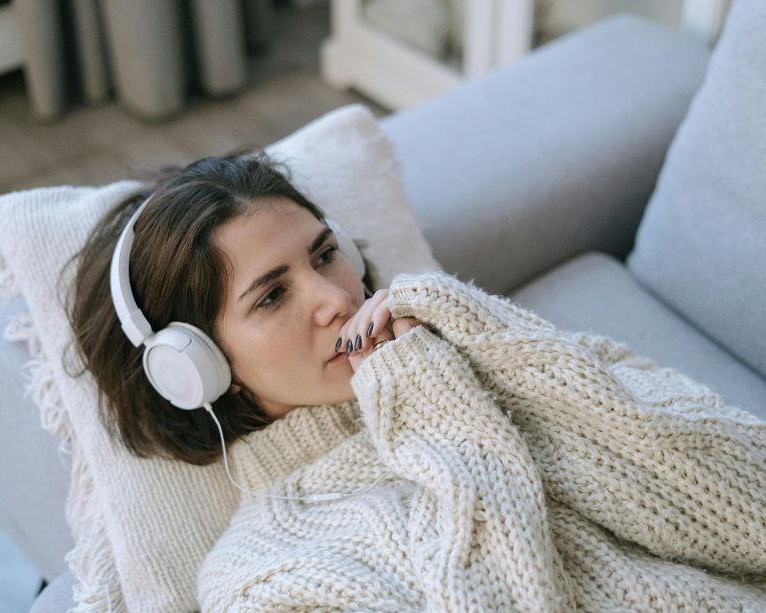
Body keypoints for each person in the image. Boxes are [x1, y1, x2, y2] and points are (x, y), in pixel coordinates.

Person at [68, 150, 766, 611]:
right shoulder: (259, 577)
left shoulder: (487, 352)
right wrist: (440, 420)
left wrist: (494, 341)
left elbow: (748, 499)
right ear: (197, 368)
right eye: (272, 296)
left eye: (325, 254)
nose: (335, 297)